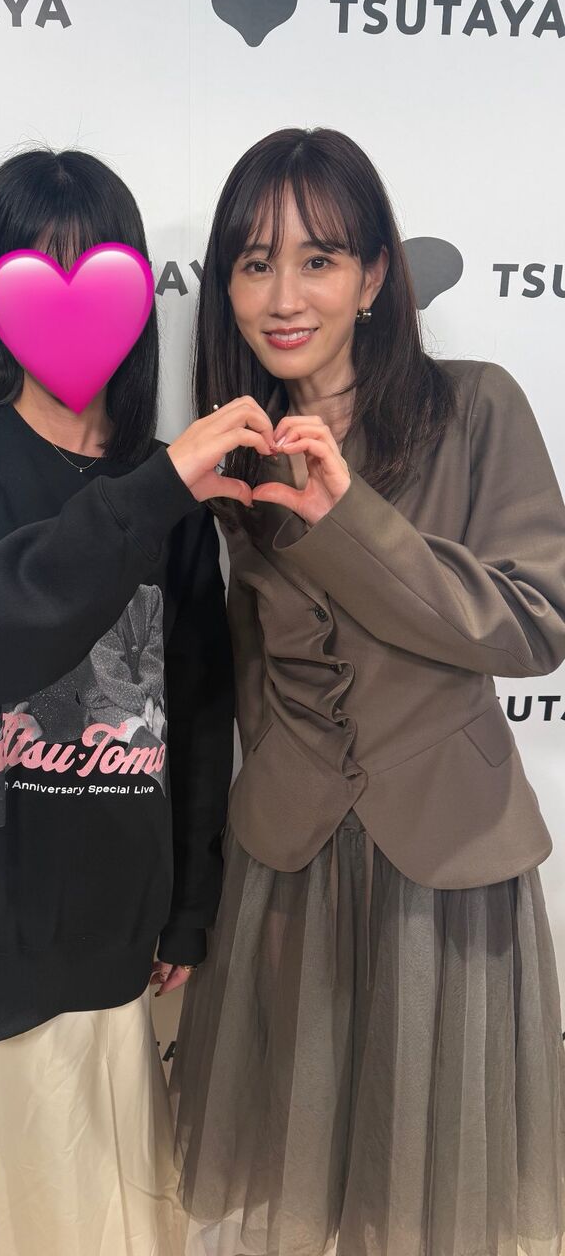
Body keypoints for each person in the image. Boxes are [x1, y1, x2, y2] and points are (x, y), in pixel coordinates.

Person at [0, 146, 270, 1256]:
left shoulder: (169, 486)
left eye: (98, 269)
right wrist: (150, 494)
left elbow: (199, 715)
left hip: (107, 955)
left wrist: (188, 906)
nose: (71, 298)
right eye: (40, 267)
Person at [169, 127, 565, 1256]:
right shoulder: (230, 451)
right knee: (295, 1188)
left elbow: (535, 620)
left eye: (320, 259)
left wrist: (351, 519)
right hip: (286, 868)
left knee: (429, 1194)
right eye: (254, 263)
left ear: (376, 275)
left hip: (447, 863)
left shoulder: (477, 407)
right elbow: (243, 679)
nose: (284, 297)